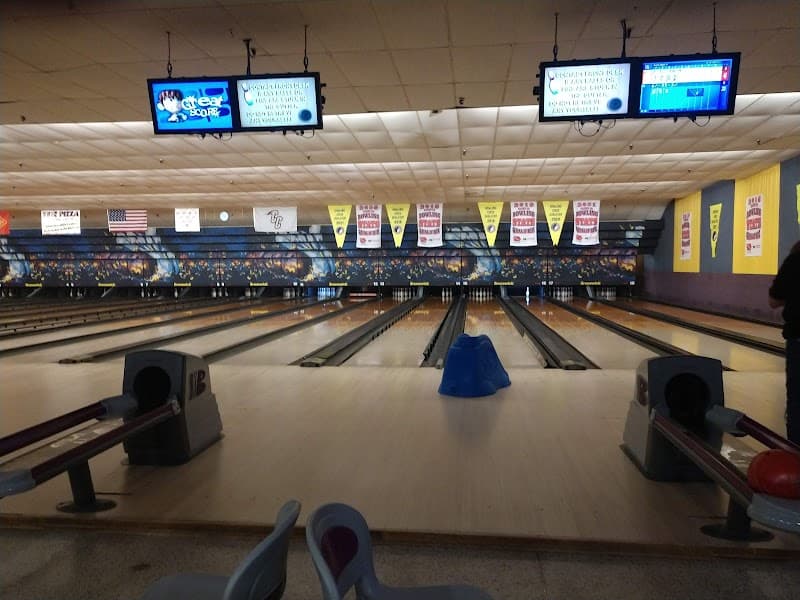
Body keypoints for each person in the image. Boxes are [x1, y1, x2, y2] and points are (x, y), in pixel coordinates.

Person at [769, 240, 800, 444]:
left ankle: (795, 453)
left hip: (798, 339)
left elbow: (773, 301)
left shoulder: (795, 260)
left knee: (797, 402)